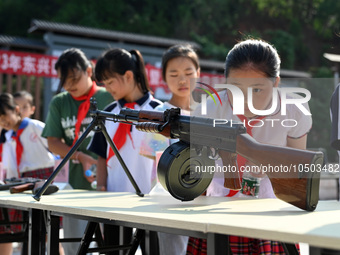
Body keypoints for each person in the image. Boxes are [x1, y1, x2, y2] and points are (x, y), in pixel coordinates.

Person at [186, 39, 312, 254]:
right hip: (217, 205)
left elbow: (297, 170)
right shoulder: (210, 109)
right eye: (235, 89)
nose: (246, 99)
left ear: (276, 82)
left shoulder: (293, 110)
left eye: (257, 90)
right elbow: (197, 170)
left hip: (270, 207)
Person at [87, 48, 162, 252]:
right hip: (114, 201)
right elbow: (101, 155)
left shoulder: (157, 111)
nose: (107, 88)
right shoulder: (108, 113)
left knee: (151, 250)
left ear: (128, 76)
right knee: (113, 251)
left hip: (149, 203)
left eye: (110, 82)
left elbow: (162, 158)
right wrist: (100, 189)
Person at [41, 48, 113, 255]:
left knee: (111, 244)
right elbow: (53, 142)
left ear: (89, 70)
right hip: (74, 186)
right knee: (75, 247)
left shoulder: (109, 97)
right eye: (64, 80)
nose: (69, 85)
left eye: (74, 78)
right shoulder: (60, 102)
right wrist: (80, 156)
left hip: (109, 186)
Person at [143, 44, 200, 255]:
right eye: (174, 74)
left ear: (198, 73)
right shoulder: (159, 114)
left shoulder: (208, 111)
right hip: (168, 200)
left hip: (203, 199)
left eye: (188, 73)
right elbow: (153, 158)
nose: (182, 80)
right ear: (164, 78)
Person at [0, 93, 56, 255]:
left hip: (41, 179)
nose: (3, 122)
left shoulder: (35, 127)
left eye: (4, 116)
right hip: (19, 183)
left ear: (16, 110)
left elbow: (54, 148)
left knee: (45, 231)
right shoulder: (7, 136)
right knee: (18, 230)